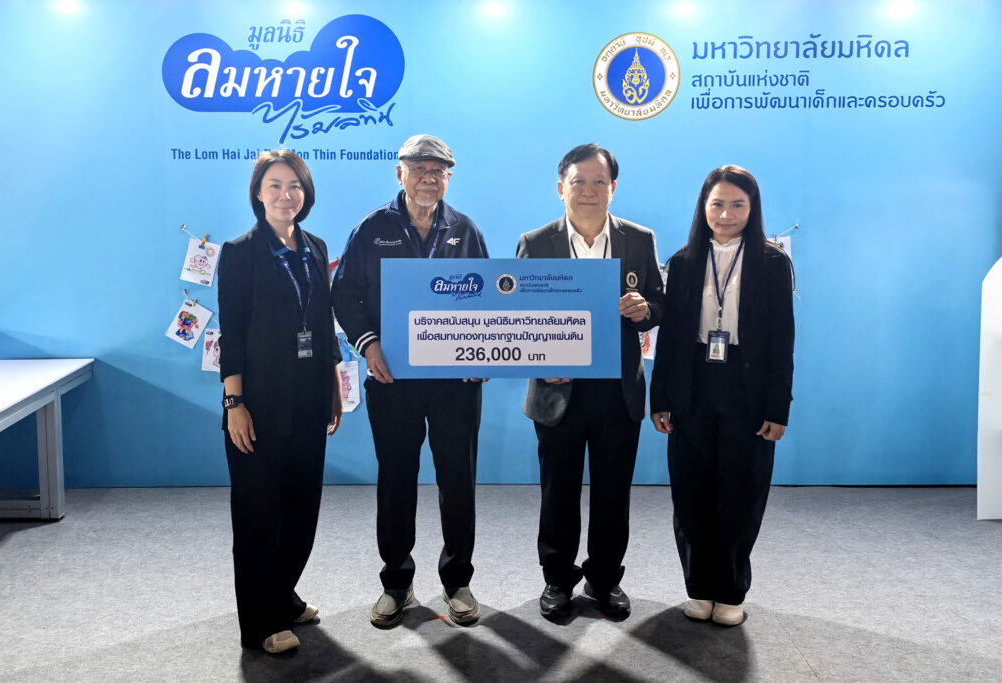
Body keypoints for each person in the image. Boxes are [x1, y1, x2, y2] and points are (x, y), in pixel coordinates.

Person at [332, 134, 489, 627]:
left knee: (457, 480)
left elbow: (487, 299)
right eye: (418, 168)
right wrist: (368, 343)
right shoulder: (372, 228)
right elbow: (344, 295)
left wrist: (483, 349)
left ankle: (457, 580)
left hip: (455, 383)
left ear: (449, 178)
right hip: (393, 378)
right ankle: (396, 582)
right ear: (399, 173)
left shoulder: (465, 230)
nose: (428, 178)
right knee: (396, 480)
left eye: (438, 171)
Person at [517, 144, 663, 620]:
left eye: (599, 181)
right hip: (558, 388)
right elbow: (518, 317)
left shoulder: (639, 239)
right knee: (557, 491)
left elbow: (660, 305)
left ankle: (604, 578)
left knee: (613, 492)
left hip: (617, 390)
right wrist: (539, 360)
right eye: (578, 181)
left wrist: (645, 311)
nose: (589, 190)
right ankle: (557, 579)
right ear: (561, 187)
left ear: (612, 188)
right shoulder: (535, 242)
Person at [650, 165, 794, 627]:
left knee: (741, 492)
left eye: (737, 204)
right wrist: (660, 398)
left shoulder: (773, 263)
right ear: (703, 207)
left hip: (747, 389)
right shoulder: (683, 261)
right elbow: (670, 339)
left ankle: (731, 590)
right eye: (717, 204)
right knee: (690, 491)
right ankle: (698, 587)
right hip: (692, 385)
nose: (726, 214)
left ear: (752, 209)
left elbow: (782, 342)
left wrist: (777, 407)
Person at [217, 150, 343, 653]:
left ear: (306, 193)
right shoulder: (239, 252)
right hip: (259, 404)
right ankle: (260, 623)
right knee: (257, 513)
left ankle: (283, 597)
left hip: (309, 399)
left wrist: (334, 386)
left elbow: (324, 322)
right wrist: (234, 403)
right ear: (257, 193)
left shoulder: (315, 247)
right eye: (274, 185)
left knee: (300, 507)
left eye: (294, 185)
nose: (286, 195)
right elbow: (231, 333)